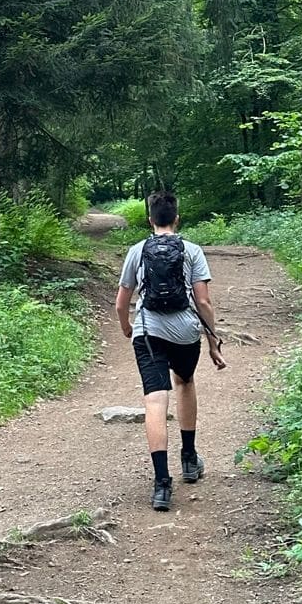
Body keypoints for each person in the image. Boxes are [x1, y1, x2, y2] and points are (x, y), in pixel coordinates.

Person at [114, 189, 224, 511]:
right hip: (186, 333)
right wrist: (213, 341)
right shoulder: (192, 250)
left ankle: (162, 484)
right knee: (184, 382)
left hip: (148, 333)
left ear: (150, 220)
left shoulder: (137, 251)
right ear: (177, 218)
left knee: (155, 400)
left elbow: (122, 303)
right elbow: (202, 301)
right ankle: (189, 459)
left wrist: (126, 327)